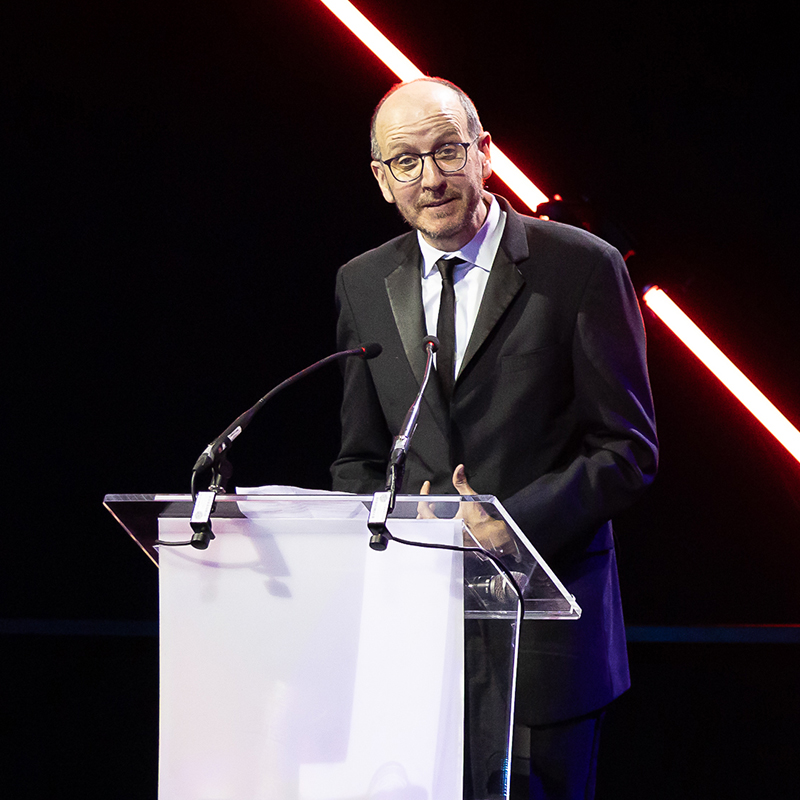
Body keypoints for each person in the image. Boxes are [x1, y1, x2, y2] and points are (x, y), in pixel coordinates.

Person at [330, 77, 658, 800]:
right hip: (415, 641)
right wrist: (390, 517)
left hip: (545, 641)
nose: (432, 176)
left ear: (485, 153)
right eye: (406, 161)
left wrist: (513, 524)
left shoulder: (578, 267)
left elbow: (627, 450)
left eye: (447, 150)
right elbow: (358, 457)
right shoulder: (362, 282)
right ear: (383, 182)